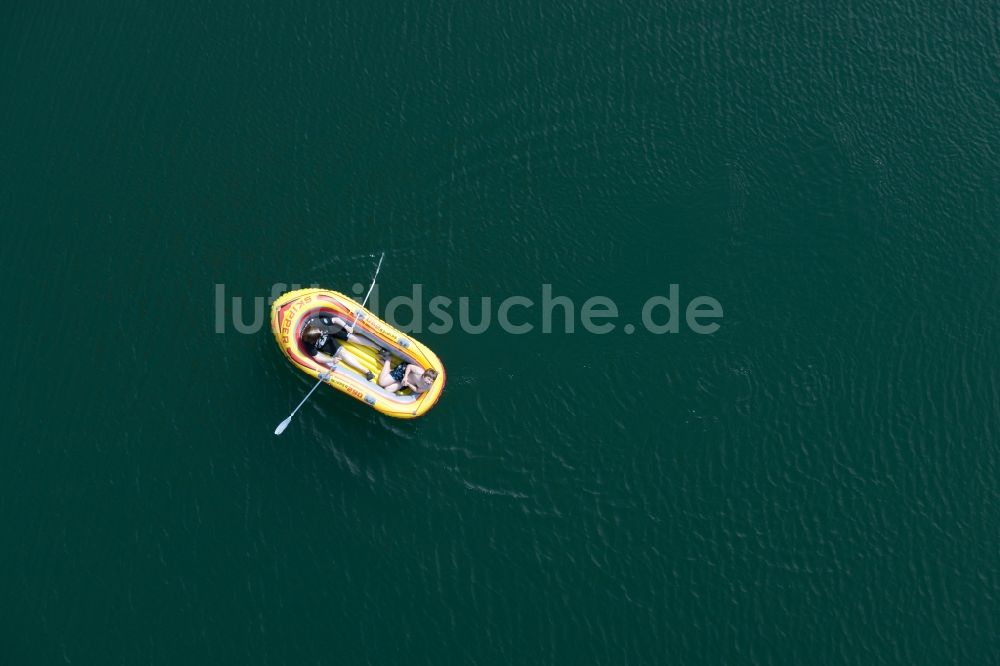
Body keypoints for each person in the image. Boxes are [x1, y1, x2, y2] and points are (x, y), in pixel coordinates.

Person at [301, 318, 377, 380]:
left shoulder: (318, 323)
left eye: (320, 330)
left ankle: (378, 348)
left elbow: (335, 319)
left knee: (351, 337)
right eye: (319, 333)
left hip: (330, 329)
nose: (321, 332)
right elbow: (317, 357)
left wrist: (346, 326)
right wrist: (331, 360)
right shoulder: (308, 343)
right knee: (343, 353)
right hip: (325, 342)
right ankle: (366, 371)